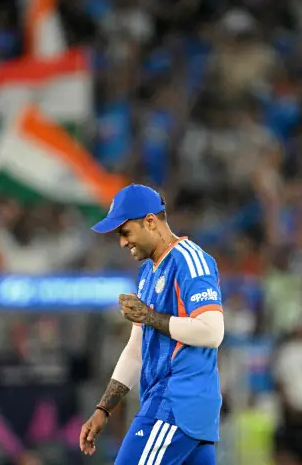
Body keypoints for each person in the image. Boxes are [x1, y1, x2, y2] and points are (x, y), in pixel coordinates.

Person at [79, 184, 225, 464]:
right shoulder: (148, 272)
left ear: (150, 221)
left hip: (175, 404)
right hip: (187, 414)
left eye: (125, 232)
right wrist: (104, 409)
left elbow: (212, 331)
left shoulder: (190, 261)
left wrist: (148, 316)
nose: (122, 242)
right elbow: (136, 349)